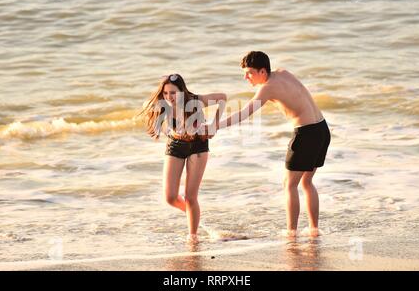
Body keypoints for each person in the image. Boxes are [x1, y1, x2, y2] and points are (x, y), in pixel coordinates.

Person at [205, 51, 331, 237]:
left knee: (289, 185)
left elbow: (245, 113)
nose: (245, 77)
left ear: (262, 71)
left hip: (306, 134)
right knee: (306, 181)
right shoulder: (284, 73)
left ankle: (292, 233)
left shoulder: (267, 88)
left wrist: (216, 126)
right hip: (321, 129)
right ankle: (314, 230)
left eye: (249, 73)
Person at [139, 73, 226, 243]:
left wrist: (214, 125)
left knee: (190, 197)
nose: (169, 97)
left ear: (182, 91)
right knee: (170, 197)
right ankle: (193, 214)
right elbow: (147, 106)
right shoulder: (163, 104)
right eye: (165, 93)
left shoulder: (196, 101)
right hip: (175, 145)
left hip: (198, 146)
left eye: (173, 93)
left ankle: (193, 237)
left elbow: (222, 98)